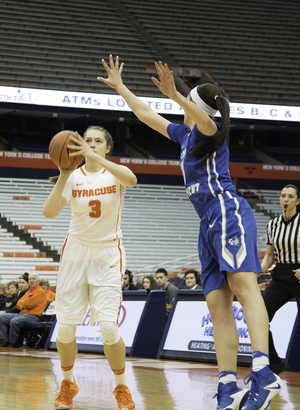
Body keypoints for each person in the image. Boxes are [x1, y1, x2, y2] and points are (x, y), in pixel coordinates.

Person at [98, 55, 283, 410]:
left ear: (197, 108)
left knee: (245, 288)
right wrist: (122, 88)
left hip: (227, 211)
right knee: (217, 305)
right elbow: (145, 116)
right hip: (207, 222)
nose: (182, 110)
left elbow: (202, 116)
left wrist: (175, 95)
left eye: (189, 105)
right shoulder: (184, 135)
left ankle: (263, 371)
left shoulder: (209, 130)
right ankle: (228, 384)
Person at [43, 125, 137, 410]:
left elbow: (132, 180)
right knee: (66, 330)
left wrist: (97, 159)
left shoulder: (115, 173)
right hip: (75, 254)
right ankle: (68, 383)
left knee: (109, 327)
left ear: (107, 147)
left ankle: (121, 387)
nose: (92, 144)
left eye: (98, 141)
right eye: (87, 140)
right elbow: (49, 213)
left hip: (108, 253)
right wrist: (62, 172)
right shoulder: (72, 178)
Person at [260, 184, 300, 375]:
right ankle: (275, 363)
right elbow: (269, 256)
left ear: (298, 201)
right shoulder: (272, 225)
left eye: (290, 196)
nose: (286, 199)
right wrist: (255, 272)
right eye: (283, 196)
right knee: (259, 318)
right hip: (281, 276)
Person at [0, 273, 47, 348]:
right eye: (30, 279)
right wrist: (24, 304)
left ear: (38, 281)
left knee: (14, 321)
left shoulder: (40, 291)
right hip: (21, 314)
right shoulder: (28, 291)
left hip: (33, 316)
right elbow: (18, 304)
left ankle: (14, 342)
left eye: (33, 279)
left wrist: (24, 304)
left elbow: (30, 304)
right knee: (1, 317)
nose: (31, 280)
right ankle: (4, 340)